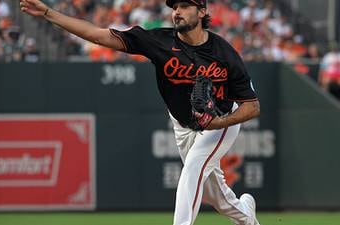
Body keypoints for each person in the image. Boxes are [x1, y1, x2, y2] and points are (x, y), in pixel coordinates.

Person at [20, 0, 261, 224]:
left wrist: (219, 123)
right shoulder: (159, 41)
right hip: (183, 125)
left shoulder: (225, 54)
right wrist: (48, 13)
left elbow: (252, 106)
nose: (177, 11)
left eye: (185, 5)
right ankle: (246, 216)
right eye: (174, 6)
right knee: (214, 195)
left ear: (202, 12)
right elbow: (98, 35)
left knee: (193, 167)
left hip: (221, 121)